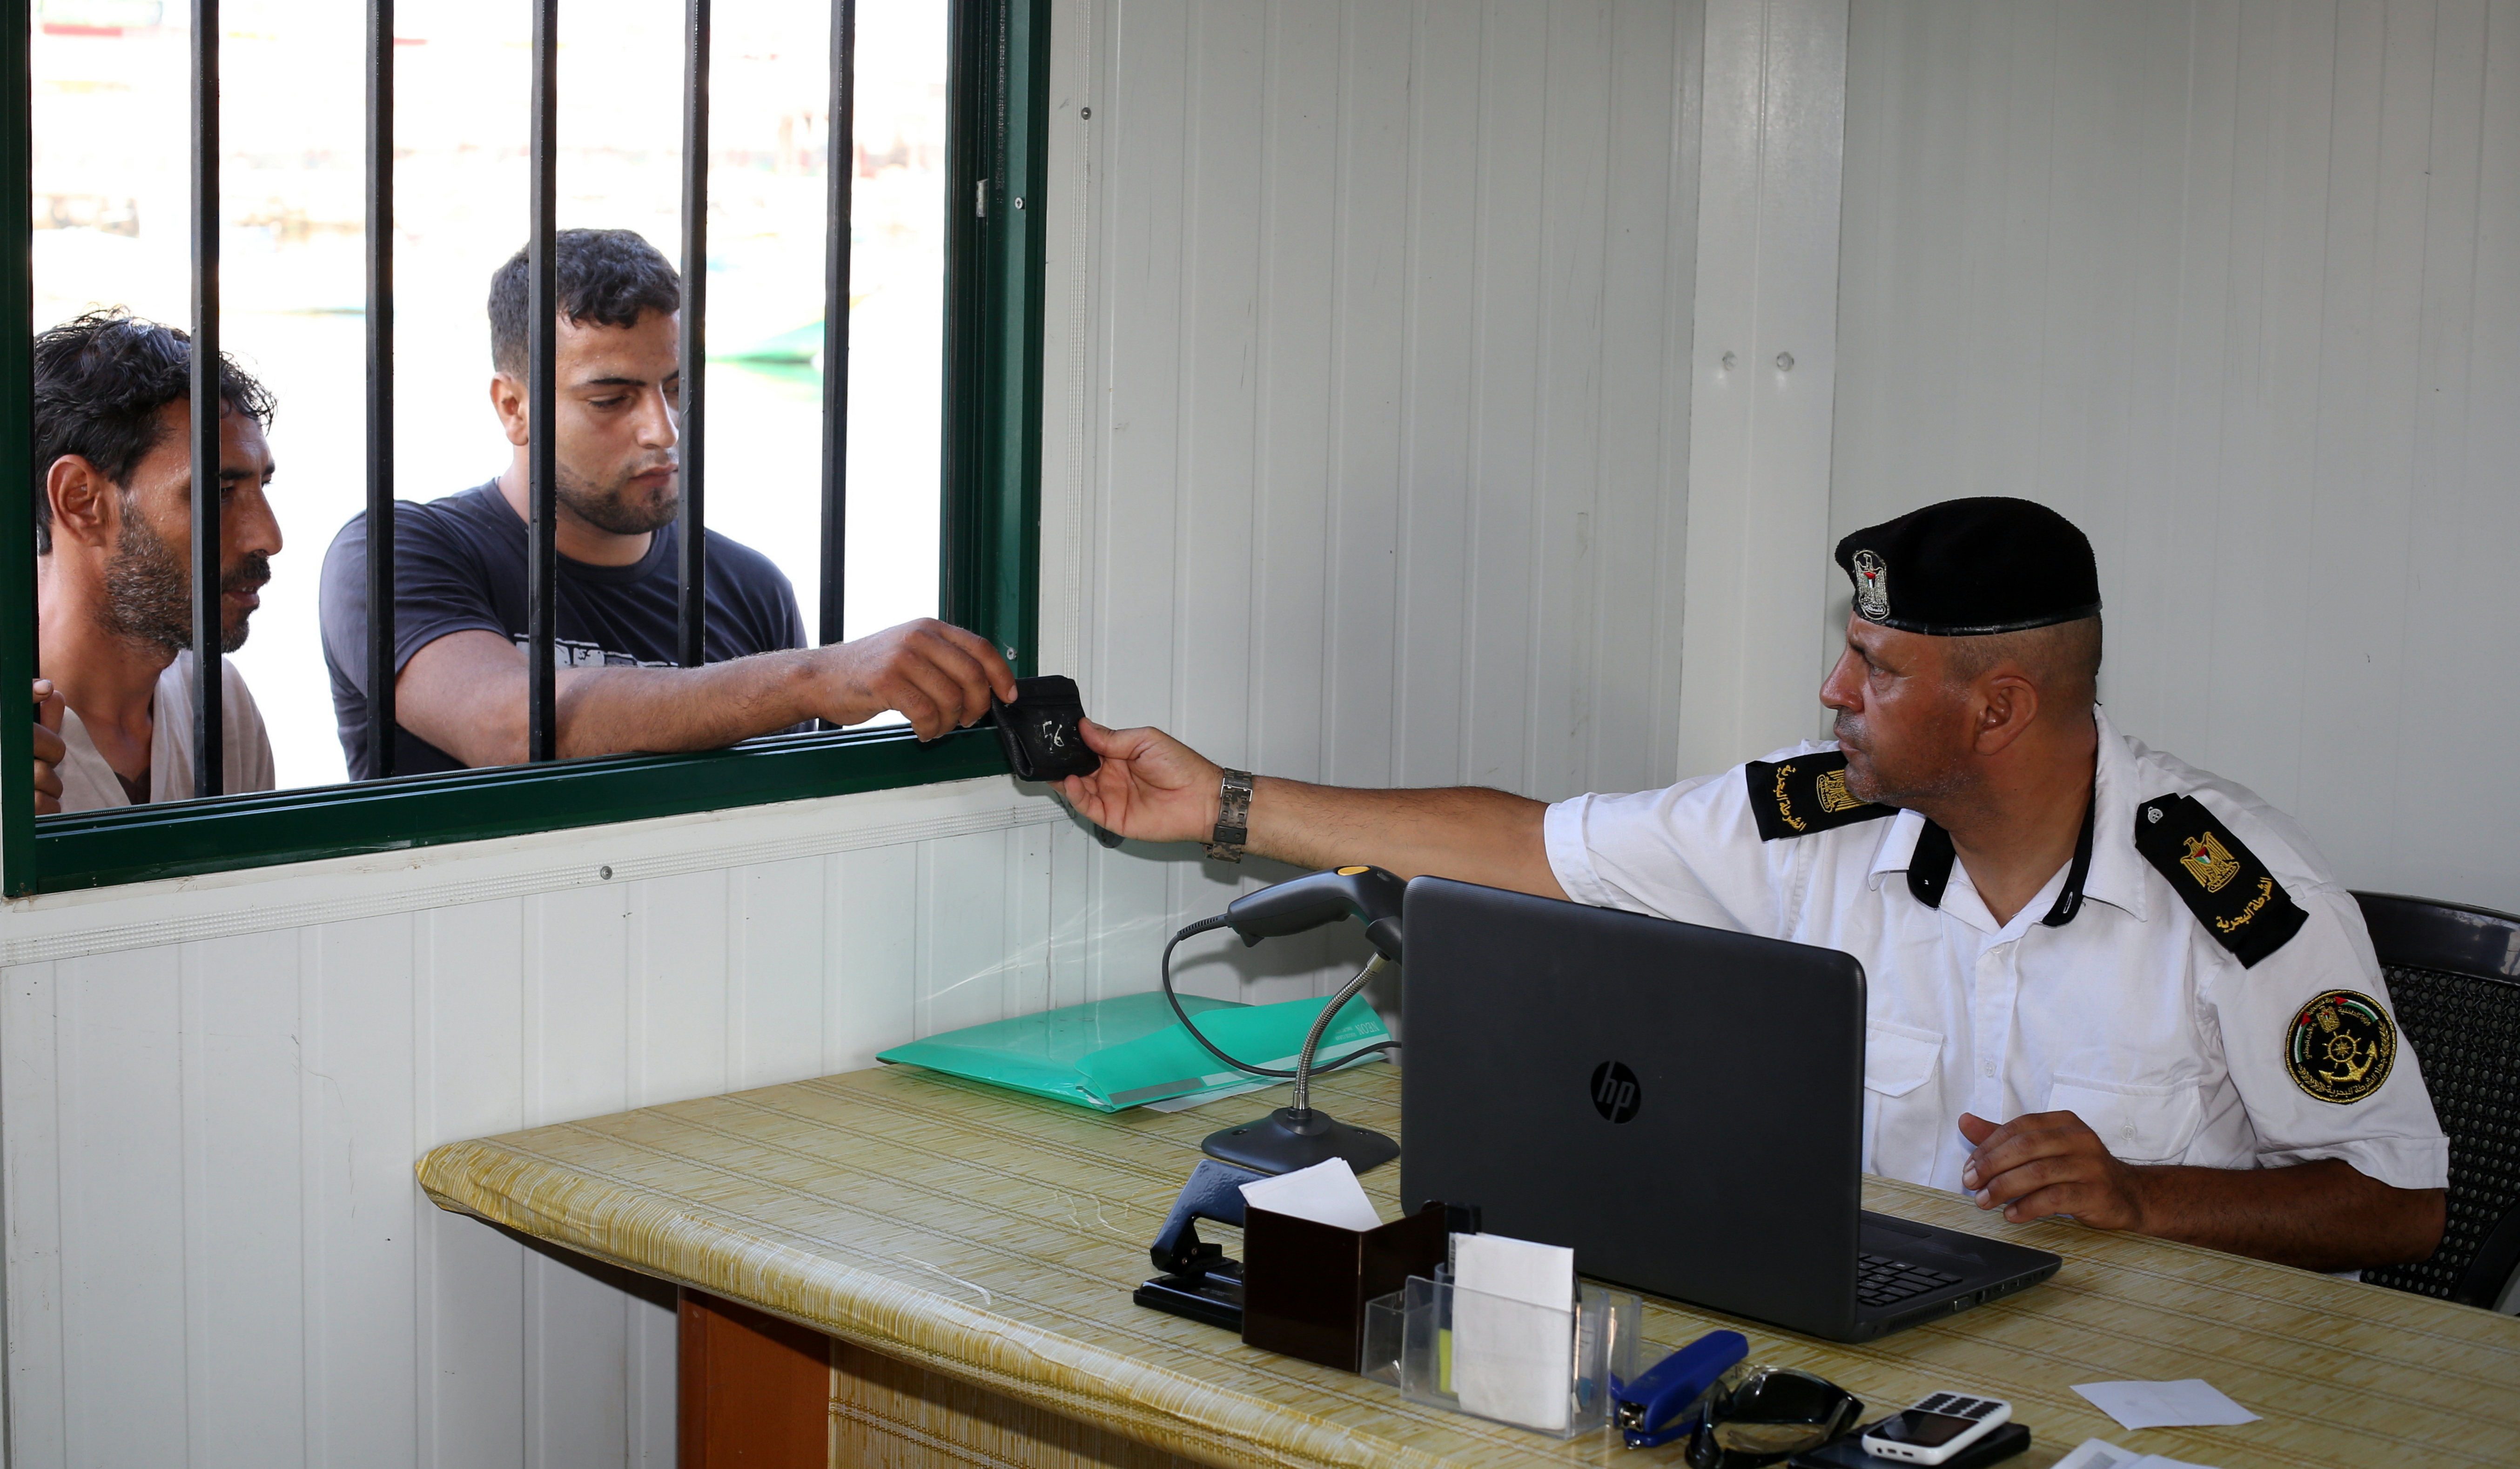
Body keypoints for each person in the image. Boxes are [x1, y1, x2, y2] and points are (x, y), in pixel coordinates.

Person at [1057, 498, 2448, 1274]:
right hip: (1889, 1329)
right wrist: (1223, 801)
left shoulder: (2235, 892)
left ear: (1999, 707)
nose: (1830, 690)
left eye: (1876, 667)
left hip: (2159, 1392)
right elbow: (1525, 845)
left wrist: (2147, 1198)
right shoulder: (1814, 815)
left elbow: (2399, 1201)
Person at [319, 228, 1012, 777]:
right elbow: (511, 725)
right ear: (514, 407)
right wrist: (817, 675)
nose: (662, 430)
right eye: (611, 399)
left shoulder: (749, 587)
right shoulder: (402, 551)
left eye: (676, 388)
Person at [31, 309, 282, 811]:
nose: (269, 537)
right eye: (219, 490)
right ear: (81, 501)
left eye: (262, 485)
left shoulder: (218, 703)